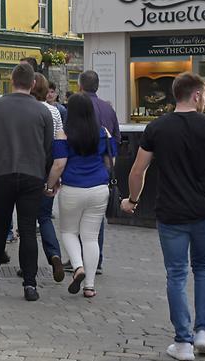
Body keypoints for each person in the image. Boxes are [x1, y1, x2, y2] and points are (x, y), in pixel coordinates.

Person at [121, 72, 205, 361]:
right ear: (195, 95)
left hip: (170, 212)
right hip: (204, 211)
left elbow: (137, 170)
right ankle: (204, 332)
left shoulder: (157, 128)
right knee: (204, 268)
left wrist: (132, 200)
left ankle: (182, 342)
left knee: (177, 274)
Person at [0, 63, 53, 302]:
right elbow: (48, 148)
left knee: (0, 227)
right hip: (32, 174)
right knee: (28, 229)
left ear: (11, 81)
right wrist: (44, 173)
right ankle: (30, 283)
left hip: (2, 173)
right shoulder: (43, 111)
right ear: (33, 83)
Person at [45, 94, 116, 298]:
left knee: (68, 232)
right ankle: (90, 286)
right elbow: (111, 162)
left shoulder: (63, 134)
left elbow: (59, 164)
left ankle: (78, 267)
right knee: (91, 237)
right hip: (99, 189)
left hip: (72, 188)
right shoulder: (103, 133)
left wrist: (50, 185)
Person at [78, 70, 120, 273]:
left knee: (77, 218)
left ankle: (80, 260)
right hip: (102, 170)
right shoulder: (107, 108)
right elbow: (116, 140)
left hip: (79, 169)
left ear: (80, 85)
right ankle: (97, 259)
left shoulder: (77, 107)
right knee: (97, 219)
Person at [31, 73, 65, 281]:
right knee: (44, 217)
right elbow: (59, 143)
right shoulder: (55, 112)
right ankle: (54, 254)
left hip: (28, 167)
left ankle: (30, 265)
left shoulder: (27, 110)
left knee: (26, 219)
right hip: (48, 168)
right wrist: (55, 175)